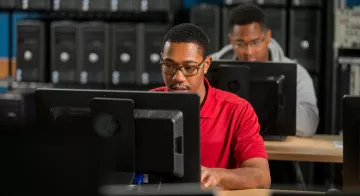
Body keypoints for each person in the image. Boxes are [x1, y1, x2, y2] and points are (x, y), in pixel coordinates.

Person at [150, 23, 271, 190]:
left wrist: (218, 175)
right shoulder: (148, 104)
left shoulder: (237, 110)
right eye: (169, 66)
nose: (178, 77)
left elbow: (261, 176)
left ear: (206, 65)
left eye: (189, 68)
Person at [211, 4, 319, 137]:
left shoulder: (298, 73)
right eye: (240, 43)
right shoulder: (208, 66)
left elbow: (309, 123)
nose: (248, 52)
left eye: (255, 42)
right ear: (230, 40)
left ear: (268, 37)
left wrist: (247, 108)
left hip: (276, 154)